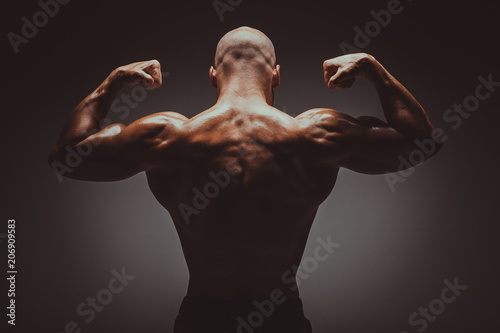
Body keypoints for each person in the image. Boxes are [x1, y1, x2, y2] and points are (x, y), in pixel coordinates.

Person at [48, 26, 441, 333]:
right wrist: (374, 70)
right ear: (277, 76)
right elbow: (421, 142)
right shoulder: (318, 134)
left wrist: (112, 83)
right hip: (280, 318)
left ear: (212, 75)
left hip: (202, 319)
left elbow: (66, 157)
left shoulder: (167, 136)